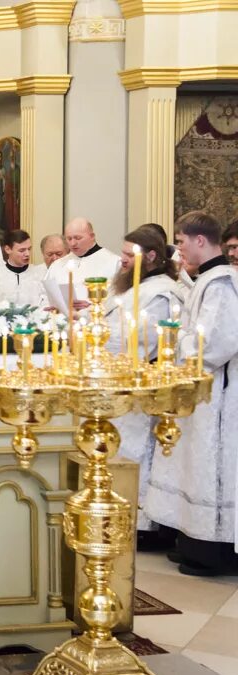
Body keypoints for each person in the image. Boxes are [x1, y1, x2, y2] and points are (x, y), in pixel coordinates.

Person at [145, 211, 238, 577]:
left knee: (210, 467)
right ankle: (192, 541)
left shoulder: (223, 284)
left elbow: (216, 343)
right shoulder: (208, 279)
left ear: (200, 241)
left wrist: (177, 340)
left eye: (181, 242)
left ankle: (214, 551)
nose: (178, 250)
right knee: (191, 464)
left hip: (217, 397)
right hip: (200, 390)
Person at [99, 228, 181, 547]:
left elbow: (145, 339)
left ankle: (143, 522)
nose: (121, 260)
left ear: (149, 257)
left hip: (138, 380)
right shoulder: (130, 283)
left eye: (127, 255)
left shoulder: (160, 290)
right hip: (115, 375)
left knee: (138, 452)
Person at [44, 218, 121, 311]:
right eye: (69, 239)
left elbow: (120, 299)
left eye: (78, 238)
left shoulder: (113, 262)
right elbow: (44, 297)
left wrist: (92, 306)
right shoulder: (57, 265)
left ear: (92, 236)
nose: (73, 243)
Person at [0, 230, 44, 307]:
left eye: (29, 249)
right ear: (8, 249)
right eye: (22, 250)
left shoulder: (39, 274)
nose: (27, 254)